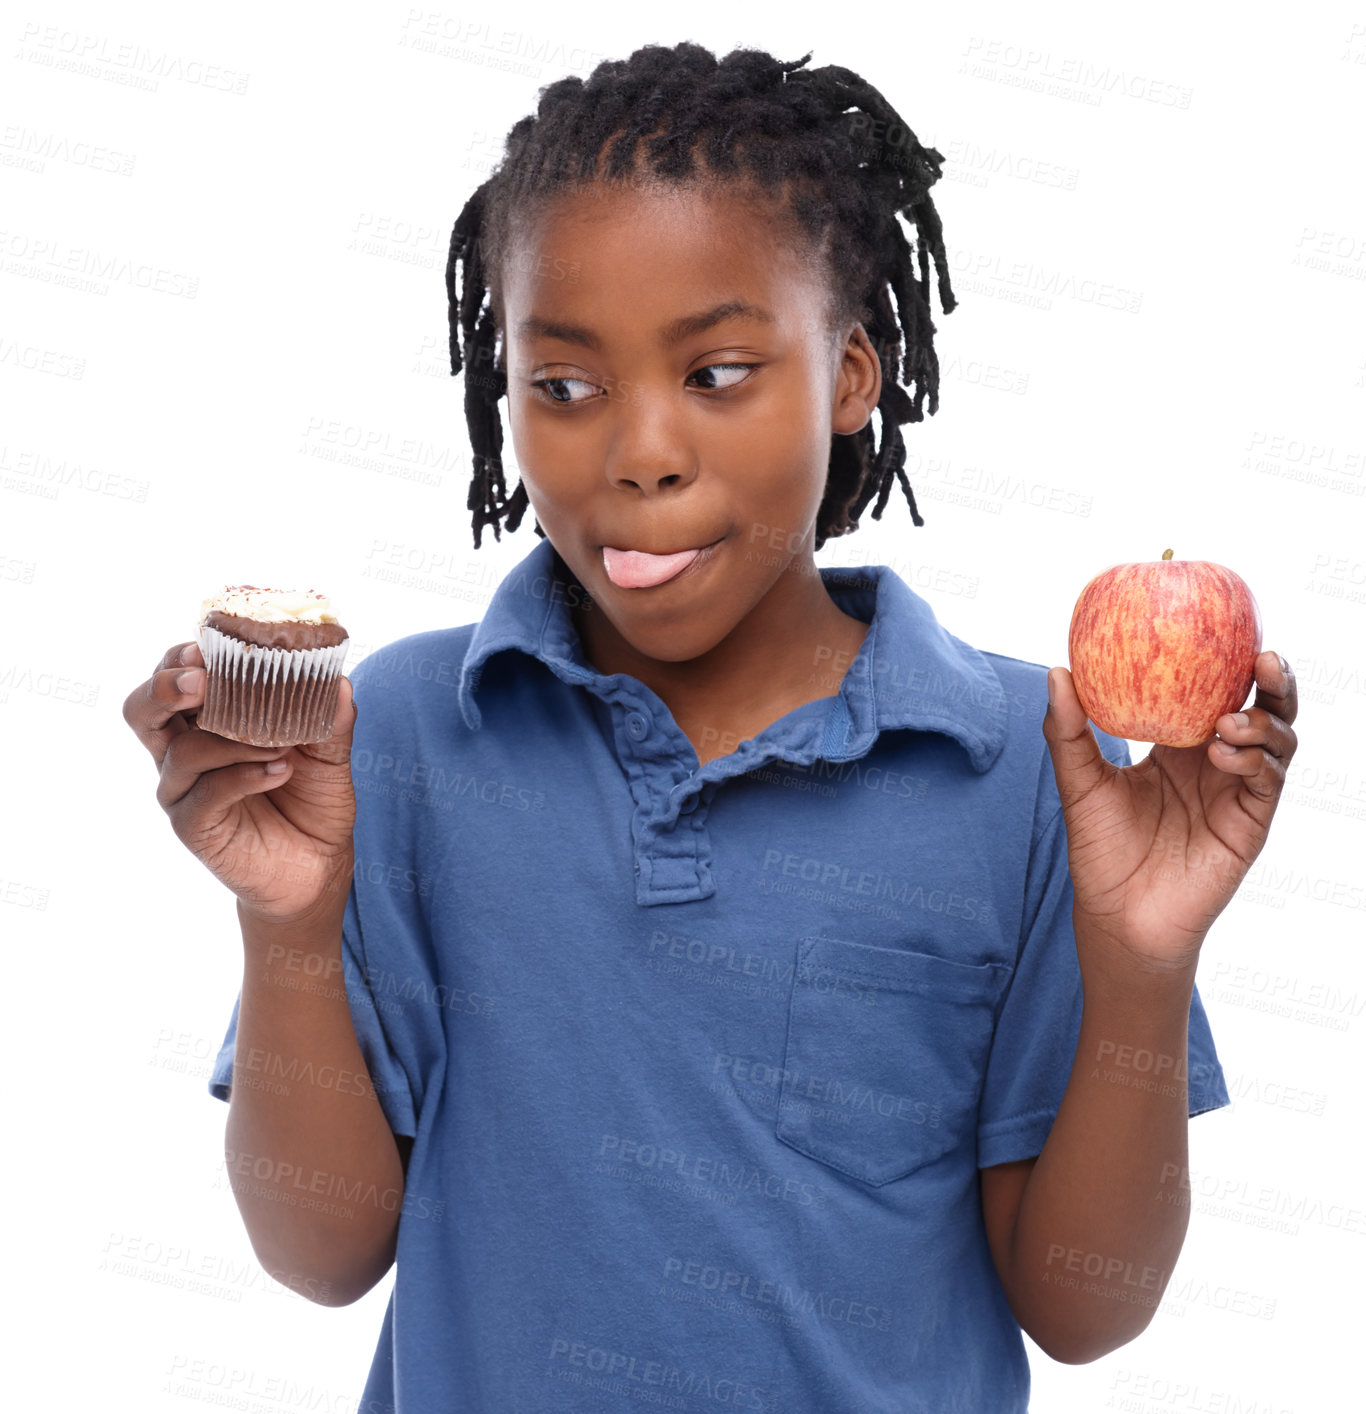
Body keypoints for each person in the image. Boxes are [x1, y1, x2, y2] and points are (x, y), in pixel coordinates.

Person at [123, 42, 1299, 1413]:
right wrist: (286, 919)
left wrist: (1145, 963)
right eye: (562, 385)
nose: (638, 452)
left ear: (851, 373)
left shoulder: (1026, 764)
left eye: (720, 371)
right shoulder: (395, 737)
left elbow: (1084, 1308)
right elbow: (322, 1253)